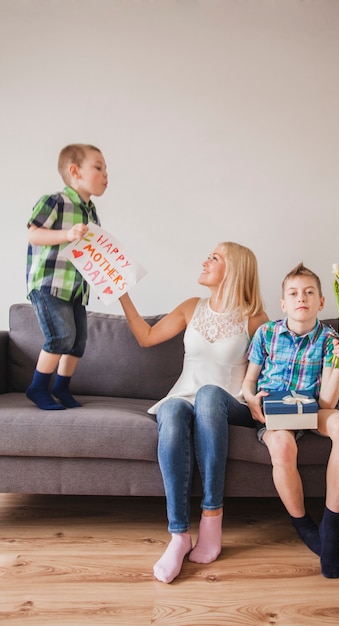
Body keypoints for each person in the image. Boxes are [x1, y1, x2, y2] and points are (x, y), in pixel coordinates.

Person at [119, 242, 268, 583]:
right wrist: (123, 294)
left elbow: (276, 365)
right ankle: (179, 536)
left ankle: (212, 519)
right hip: (186, 397)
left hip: (229, 403)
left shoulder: (255, 319)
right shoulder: (191, 307)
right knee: (171, 410)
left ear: (234, 270)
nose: (205, 261)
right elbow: (146, 337)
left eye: (214, 258)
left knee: (208, 395)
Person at [242, 262, 339, 579]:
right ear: (283, 303)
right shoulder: (266, 333)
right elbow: (248, 381)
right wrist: (251, 399)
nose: (301, 298)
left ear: (321, 302)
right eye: (293, 293)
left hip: (311, 409)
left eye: (309, 292)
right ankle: (305, 526)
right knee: (281, 446)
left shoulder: (331, 340)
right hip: (276, 412)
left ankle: (330, 528)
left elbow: (328, 403)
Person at [26, 144, 108, 410]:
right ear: (74, 171)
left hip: (76, 289)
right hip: (50, 285)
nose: (106, 174)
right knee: (60, 337)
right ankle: (38, 387)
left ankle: (61, 386)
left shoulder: (91, 211)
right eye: (98, 167)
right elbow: (34, 234)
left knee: (78, 342)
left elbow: (90, 252)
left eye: (106, 169)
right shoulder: (54, 201)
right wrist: (67, 234)